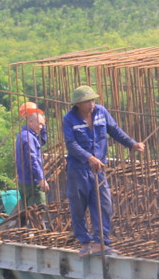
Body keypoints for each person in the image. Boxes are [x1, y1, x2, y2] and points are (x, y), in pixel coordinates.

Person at [62, 85, 145, 256]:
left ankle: (101, 242)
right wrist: (89, 158)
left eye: (93, 100)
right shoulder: (69, 119)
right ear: (78, 104)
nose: (92, 104)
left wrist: (132, 143)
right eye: (87, 101)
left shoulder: (101, 112)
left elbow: (114, 130)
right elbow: (71, 144)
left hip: (98, 170)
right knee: (78, 206)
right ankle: (84, 242)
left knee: (103, 205)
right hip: (78, 170)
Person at [14, 104, 48, 228]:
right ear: (30, 121)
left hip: (25, 181)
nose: (41, 127)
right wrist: (41, 179)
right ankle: (38, 235)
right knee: (38, 210)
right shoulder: (28, 138)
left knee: (30, 211)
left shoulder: (25, 135)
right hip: (32, 182)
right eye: (39, 124)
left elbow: (42, 141)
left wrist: (42, 121)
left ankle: (33, 232)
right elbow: (33, 160)